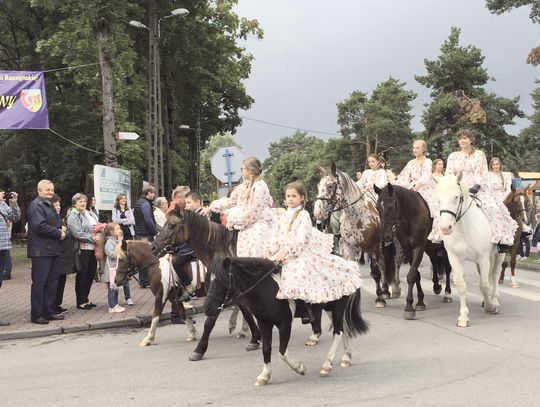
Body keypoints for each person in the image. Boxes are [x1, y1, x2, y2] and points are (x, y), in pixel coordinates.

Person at [264, 181, 362, 303]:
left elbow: (301, 239)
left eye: (294, 196)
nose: (290, 199)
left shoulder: (303, 215)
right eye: (288, 196)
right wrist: (269, 251)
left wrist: (286, 251)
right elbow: (275, 236)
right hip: (280, 253)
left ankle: (305, 305)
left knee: (298, 272)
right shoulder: (282, 216)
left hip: (298, 252)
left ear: (302, 198)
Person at [445, 129, 517, 253]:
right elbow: (449, 173)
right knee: (443, 208)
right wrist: (453, 186)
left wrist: (477, 185)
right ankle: (441, 239)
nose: (462, 140)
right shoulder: (453, 156)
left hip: (476, 188)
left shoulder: (479, 154)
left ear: (471, 140)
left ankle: (500, 240)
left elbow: (482, 172)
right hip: (457, 189)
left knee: (493, 207)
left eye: (465, 138)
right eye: (460, 138)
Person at [203, 156, 276, 257]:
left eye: (242, 169)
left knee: (255, 246)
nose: (241, 171)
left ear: (250, 171)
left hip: (259, 223)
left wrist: (235, 222)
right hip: (247, 225)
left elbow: (253, 211)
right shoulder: (244, 186)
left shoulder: (259, 186)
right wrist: (211, 207)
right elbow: (230, 201)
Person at [27, 180, 65, 324]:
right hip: (41, 251)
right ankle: (37, 315)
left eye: (52, 189)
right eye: (47, 190)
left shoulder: (48, 205)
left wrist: (62, 228)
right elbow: (40, 226)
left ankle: (49, 312)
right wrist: (59, 233)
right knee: (40, 283)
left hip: (52, 250)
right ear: (39, 191)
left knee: (52, 283)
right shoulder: (36, 205)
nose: (50, 192)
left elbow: (54, 222)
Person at [397, 139, 443, 243]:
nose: (415, 150)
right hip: (412, 187)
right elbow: (403, 177)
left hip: (425, 188)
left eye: (417, 148)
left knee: (434, 206)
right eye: (414, 147)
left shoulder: (427, 161)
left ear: (423, 149)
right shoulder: (410, 162)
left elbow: (426, 177)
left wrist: (418, 184)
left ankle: (436, 233)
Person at [67, 193, 99, 309]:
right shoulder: (73, 215)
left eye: (84, 201)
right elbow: (76, 233)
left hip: (92, 248)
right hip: (82, 249)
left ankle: (86, 298)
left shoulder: (88, 213)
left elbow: (96, 224)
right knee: (82, 275)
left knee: (91, 273)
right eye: (80, 201)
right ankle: (80, 301)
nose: (83, 203)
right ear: (75, 203)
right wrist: (93, 238)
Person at [51, 194, 76, 315]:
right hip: (57, 255)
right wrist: (62, 231)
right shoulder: (51, 219)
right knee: (55, 282)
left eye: (59, 205)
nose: (58, 207)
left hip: (64, 255)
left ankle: (57, 304)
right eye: (55, 205)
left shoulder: (60, 218)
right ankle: (52, 305)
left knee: (62, 281)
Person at [99, 222, 132, 313]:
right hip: (111, 268)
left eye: (119, 228)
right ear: (111, 232)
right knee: (111, 287)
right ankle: (112, 306)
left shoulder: (116, 240)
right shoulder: (109, 242)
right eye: (117, 229)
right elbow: (111, 255)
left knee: (116, 287)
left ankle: (115, 304)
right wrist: (119, 246)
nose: (120, 230)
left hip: (116, 268)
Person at [0, 189, 20, 326]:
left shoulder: (2, 205)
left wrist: (14, 204)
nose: (2, 193)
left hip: (3, 247)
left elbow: (15, 218)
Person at [132, 186, 158, 288]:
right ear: (149, 193)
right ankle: (145, 281)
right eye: (153, 193)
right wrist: (154, 231)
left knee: (141, 257)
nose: (154, 195)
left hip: (139, 232)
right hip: (145, 234)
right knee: (145, 258)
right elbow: (148, 219)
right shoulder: (145, 204)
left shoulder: (140, 202)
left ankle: (143, 281)